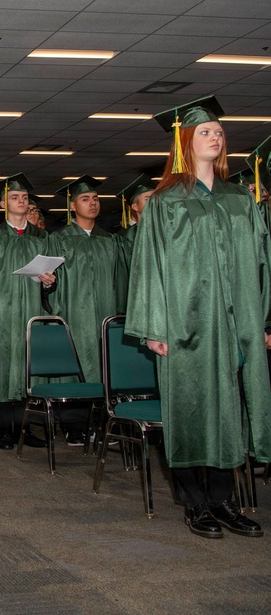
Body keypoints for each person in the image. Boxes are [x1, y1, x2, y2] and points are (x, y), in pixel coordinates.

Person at [127, 96, 271, 539]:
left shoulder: (240, 200)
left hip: (237, 323)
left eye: (219, 132)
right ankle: (195, 503)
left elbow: (262, 261)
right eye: (206, 131)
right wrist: (154, 327)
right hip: (184, 324)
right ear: (184, 141)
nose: (216, 136)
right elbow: (148, 265)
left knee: (231, 409)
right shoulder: (166, 200)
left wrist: (262, 321)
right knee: (190, 408)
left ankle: (224, 500)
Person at [0, 175, 55, 451]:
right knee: (4, 373)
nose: (21, 201)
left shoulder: (41, 237)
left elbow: (51, 277)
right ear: (4, 203)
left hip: (31, 312)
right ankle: (6, 430)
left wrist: (50, 282)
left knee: (29, 373)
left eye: (25, 198)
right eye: (15, 197)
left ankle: (27, 428)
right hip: (2, 314)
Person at [48, 176, 120, 445]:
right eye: (85, 199)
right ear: (73, 206)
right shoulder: (60, 239)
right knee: (75, 368)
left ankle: (102, 424)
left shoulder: (109, 240)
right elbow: (48, 281)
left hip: (104, 314)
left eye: (96, 199)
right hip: (73, 315)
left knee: (103, 368)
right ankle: (74, 427)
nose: (92, 203)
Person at [115, 174, 155, 312]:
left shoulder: (168, 234)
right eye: (148, 199)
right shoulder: (124, 239)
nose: (154, 202)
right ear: (135, 206)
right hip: (138, 302)